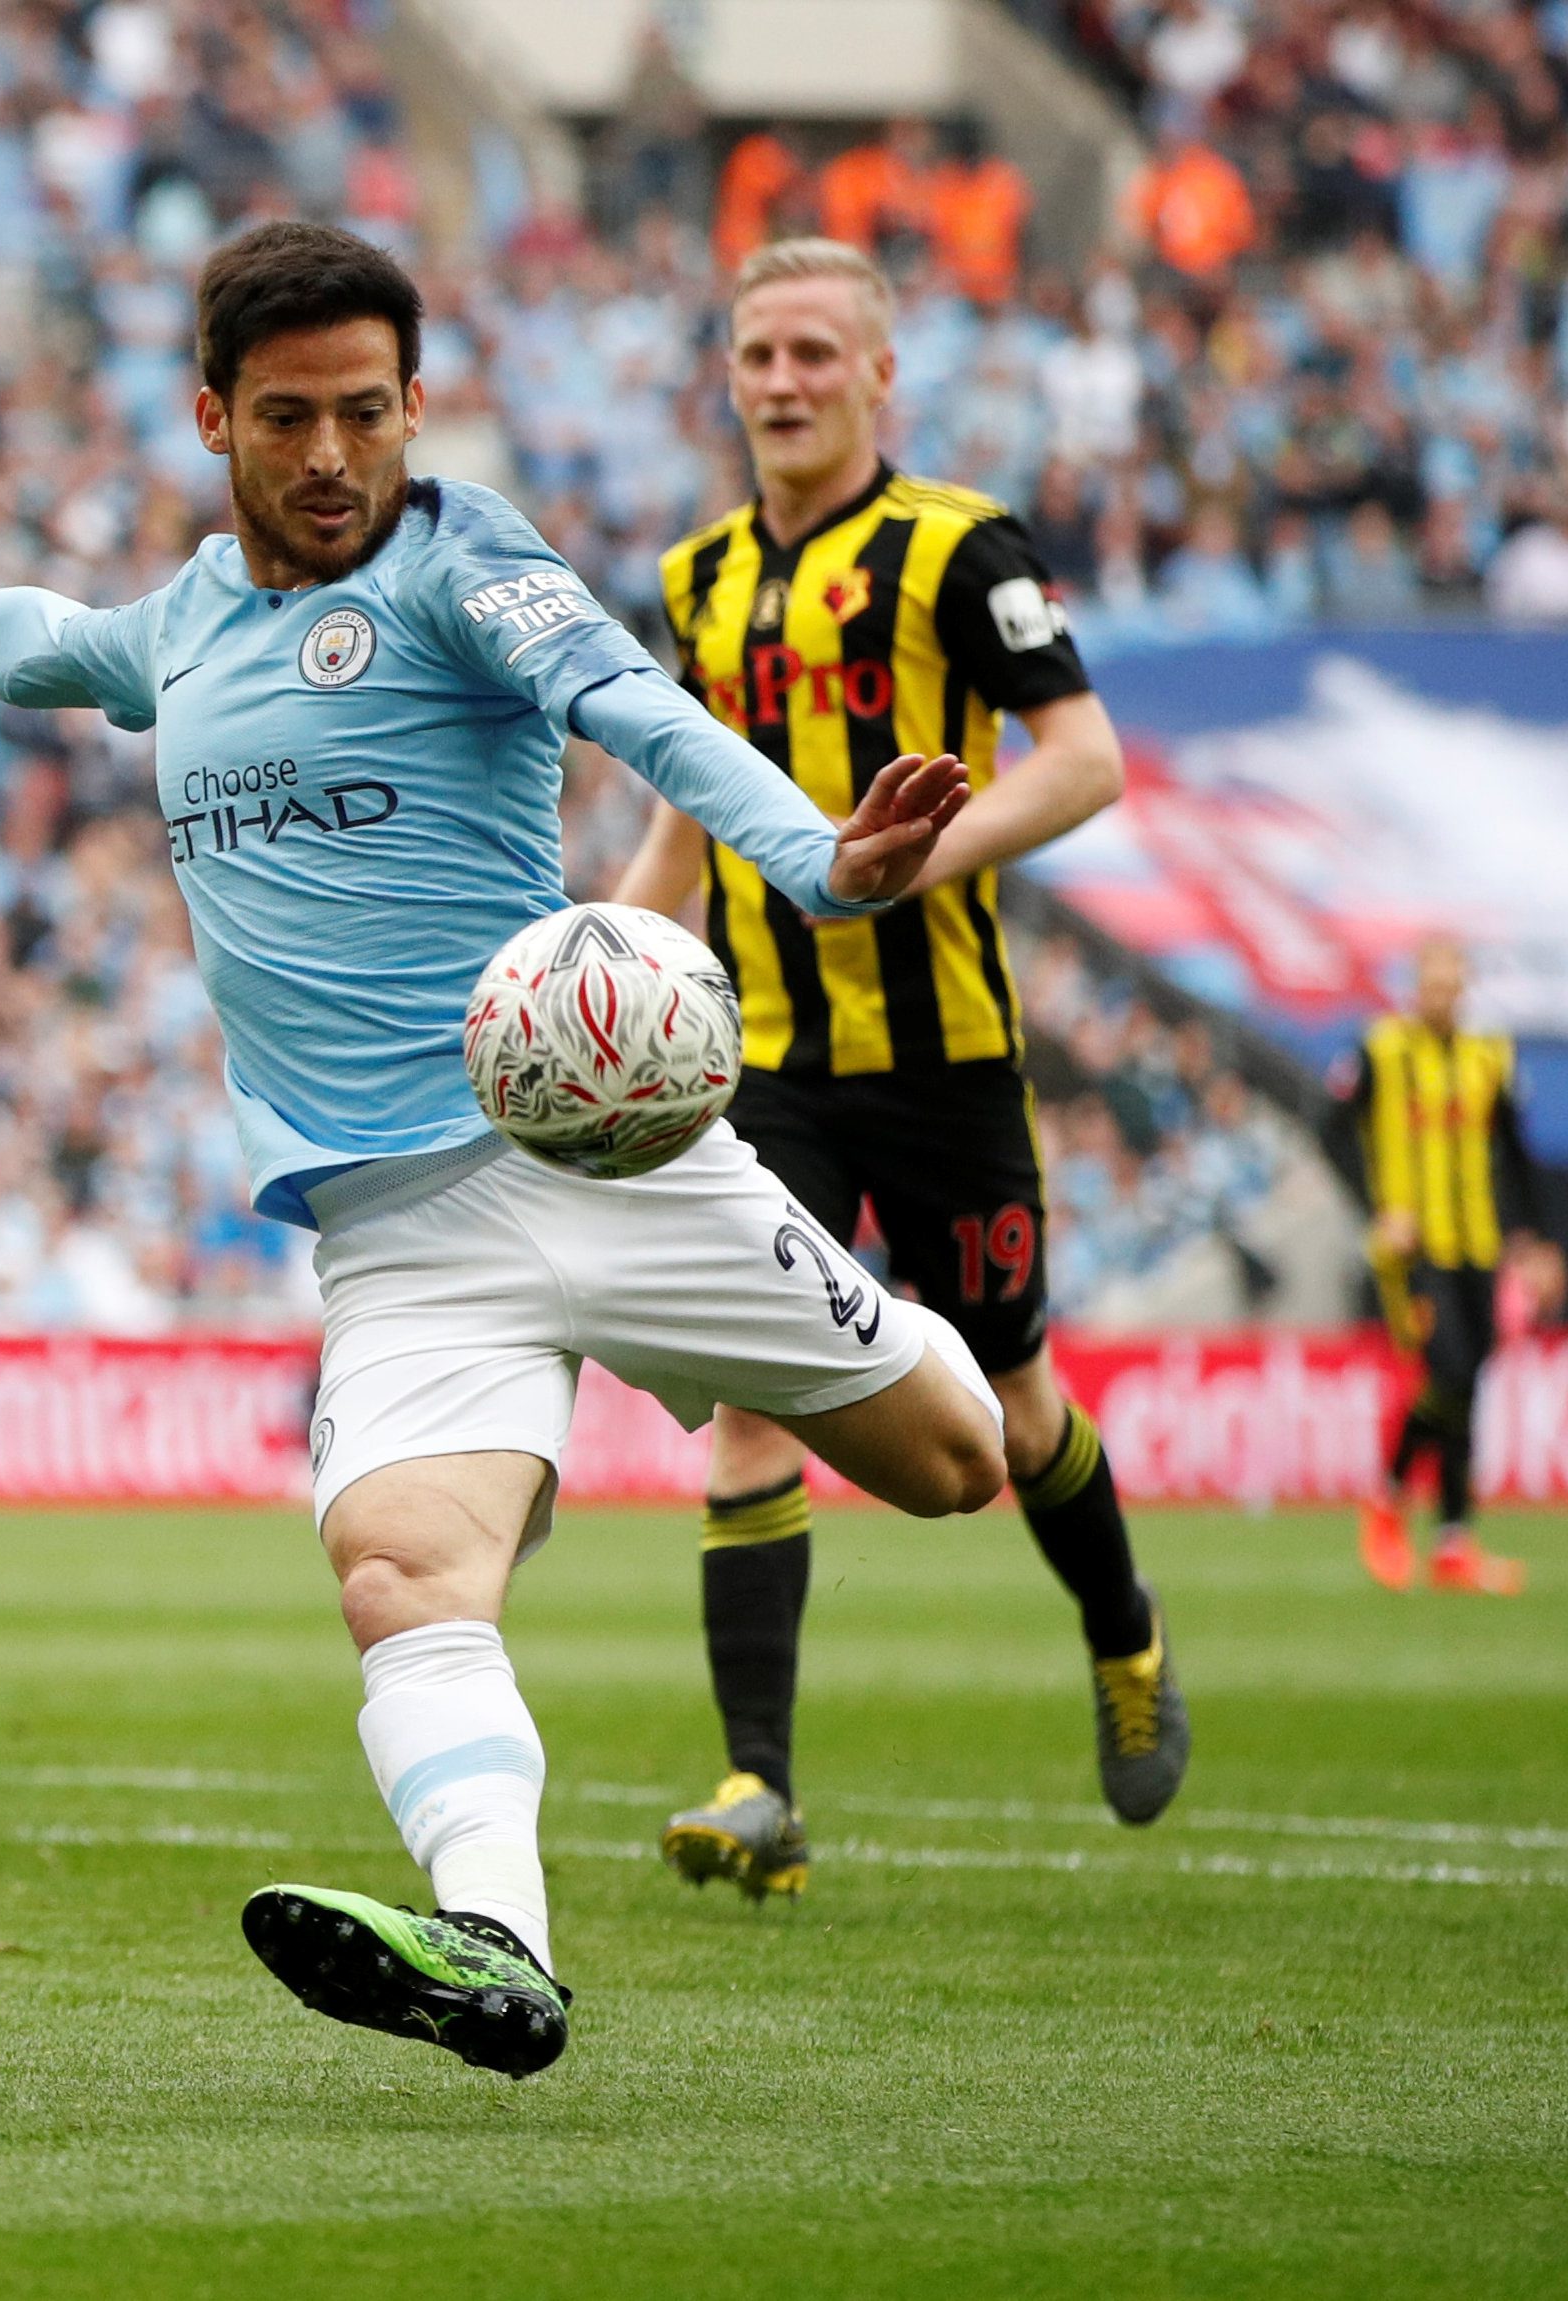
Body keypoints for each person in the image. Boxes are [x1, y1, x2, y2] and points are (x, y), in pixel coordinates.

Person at [0, 221, 1003, 2079]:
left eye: (368, 410)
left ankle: (932, 1348)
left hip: (609, 1159)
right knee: (396, 1572)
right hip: (398, 1231)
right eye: (287, 418)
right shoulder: (182, 627)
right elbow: (50, 645)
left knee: (953, 1462)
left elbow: (637, 711)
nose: (334, 455)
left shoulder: (464, 561)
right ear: (212, 417)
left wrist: (815, 861)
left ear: (417, 403)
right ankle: (495, 1950)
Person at [608, 236, 1184, 1904]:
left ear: (877, 377)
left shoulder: (959, 549)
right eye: (753, 354)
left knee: (1009, 1405)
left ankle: (1122, 1630)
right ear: (725, 377)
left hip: (940, 1063)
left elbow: (1081, 764)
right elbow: (678, 809)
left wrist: (913, 862)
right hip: (763, 1064)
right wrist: (579, 977)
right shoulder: (698, 577)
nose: (779, 381)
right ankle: (758, 1787)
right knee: (749, 1395)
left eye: (810, 353)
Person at [1330, 937, 1541, 1595]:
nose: (1441, 996)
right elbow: (1329, 1129)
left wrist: (1537, 1239)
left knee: (1467, 1383)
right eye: (1431, 984)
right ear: (1412, 986)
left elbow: (1515, 1150)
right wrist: (1376, 1209)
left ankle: (1453, 1543)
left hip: (1476, 1244)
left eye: (1453, 985)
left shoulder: (1489, 1057)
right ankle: (1388, 1492)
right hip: (1411, 1249)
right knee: (1447, 1370)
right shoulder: (1379, 1051)